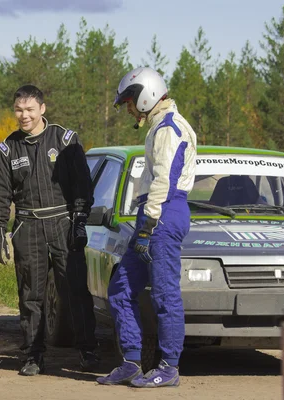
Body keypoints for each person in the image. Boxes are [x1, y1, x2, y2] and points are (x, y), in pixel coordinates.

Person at [97, 67, 197, 388]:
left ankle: (169, 368)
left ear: (146, 96)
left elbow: (165, 182)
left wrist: (147, 225)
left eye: (129, 101)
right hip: (153, 214)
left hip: (163, 213)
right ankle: (131, 361)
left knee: (165, 295)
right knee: (120, 289)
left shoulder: (169, 128)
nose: (128, 108)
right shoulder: (157, 126)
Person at [0, 84, 98, 376]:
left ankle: (88, 350)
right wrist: (0, 231)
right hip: (27, 225)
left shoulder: (65, 140)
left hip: (63, 222)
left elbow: (82, 185)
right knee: (31, 296)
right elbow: (0, 194)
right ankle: (33, 356)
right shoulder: (6, 148)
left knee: (74, 290)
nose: (24, 116)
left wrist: (79, 220)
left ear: (42, 109)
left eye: (29, 110)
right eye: (19, 110)